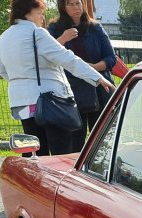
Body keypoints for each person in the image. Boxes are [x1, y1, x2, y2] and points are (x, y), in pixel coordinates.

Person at [0, 0, 116, 156]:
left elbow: (2, 70)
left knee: (34, 151)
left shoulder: (4, 37)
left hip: (21, 103)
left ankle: (35, 179)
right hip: (49, 101)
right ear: (27, 12)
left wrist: (22, 81)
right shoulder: (37, 33)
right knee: (62, 152)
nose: (42, 18)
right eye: (40, 13)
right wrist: (97, 78)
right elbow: (67, 59)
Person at [48, 0, 117, 151]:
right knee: (74, 141)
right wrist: (63, 39)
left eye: (78, 3)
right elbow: (48, 54)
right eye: (70, 4)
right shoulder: (55, 28)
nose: (76, 8)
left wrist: (92, 69)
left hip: (99, 89)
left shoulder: (95, 27)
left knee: (102, 139)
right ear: (62, 7)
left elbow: (111, 58)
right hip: (71, 90)